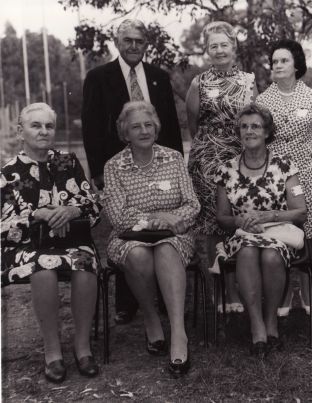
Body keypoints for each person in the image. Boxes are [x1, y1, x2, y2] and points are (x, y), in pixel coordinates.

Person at [82, 19, 184, 325]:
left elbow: (170, 127)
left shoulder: (158, 77)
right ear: (117, 42)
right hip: (119, 169)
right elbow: (91, 127)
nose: (134, 46)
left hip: (159, 164)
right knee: (129, 229)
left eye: (139, 40)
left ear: (146, 44)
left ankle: (166, 296)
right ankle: (128, 302)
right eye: (128, 40)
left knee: (158, 227)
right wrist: (99, 171)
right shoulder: (99, 77)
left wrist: (175, 161)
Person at [1, 103, 101, 382]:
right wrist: (36, 215)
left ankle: (82, 347)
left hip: (71, 243)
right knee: (43, 269)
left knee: (85, 263)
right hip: (27, 249)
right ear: (21, 132)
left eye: (49, 126)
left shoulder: (68, 163)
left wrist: (72, 210)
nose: (44, 131)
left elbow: (94, 207)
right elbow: (4, 228)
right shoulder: (8, 173)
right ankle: (52, 351)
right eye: (36, 125)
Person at [103, 101, 199, 377]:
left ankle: (179, 334)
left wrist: (170, 220)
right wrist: (156, 217)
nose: (144, 130)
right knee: (138, 254)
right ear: (125, 133)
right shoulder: (114, 166)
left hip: (175, 233)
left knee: (167, 249)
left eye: (148, 124)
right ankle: (151, 317)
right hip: (129, 236)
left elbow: (192, 204)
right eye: (136, 126)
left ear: (156, 127)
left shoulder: (174, 158)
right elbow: (118, 216)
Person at [215, 104, 307, 357]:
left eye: (255, 126)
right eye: (244, 126)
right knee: (246, 252)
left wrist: (269, 215)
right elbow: (221, 218)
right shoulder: (226, 170)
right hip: (243, 235)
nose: (249, 131)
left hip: (277, 232)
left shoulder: (285, 166)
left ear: (267, 132)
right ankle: (256, 326)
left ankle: (271, 322)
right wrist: (239, 221)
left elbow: (301, 212)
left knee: (270, 254)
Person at [186, 21, 257, 313]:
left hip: (241, 159)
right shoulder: (198, 83)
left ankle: (238, 288)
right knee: (214, 226)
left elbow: (254, 119)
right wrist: (210, 148)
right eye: (213, 46)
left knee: (239, 223)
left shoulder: (249, 80)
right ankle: (219, 293)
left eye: (224, 44)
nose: (219, 50)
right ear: (207, 50)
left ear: (234, 47)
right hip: (208, 161)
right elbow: (193, 123)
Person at [257, 39, 312, 316]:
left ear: (296, 64)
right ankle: (285, 293)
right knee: (280, 233)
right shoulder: (263, 100)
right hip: (275, 175)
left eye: (283, 60)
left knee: (309, 235)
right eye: (274, 61)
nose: (277, 65)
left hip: (306, 174)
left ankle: (309, 293)